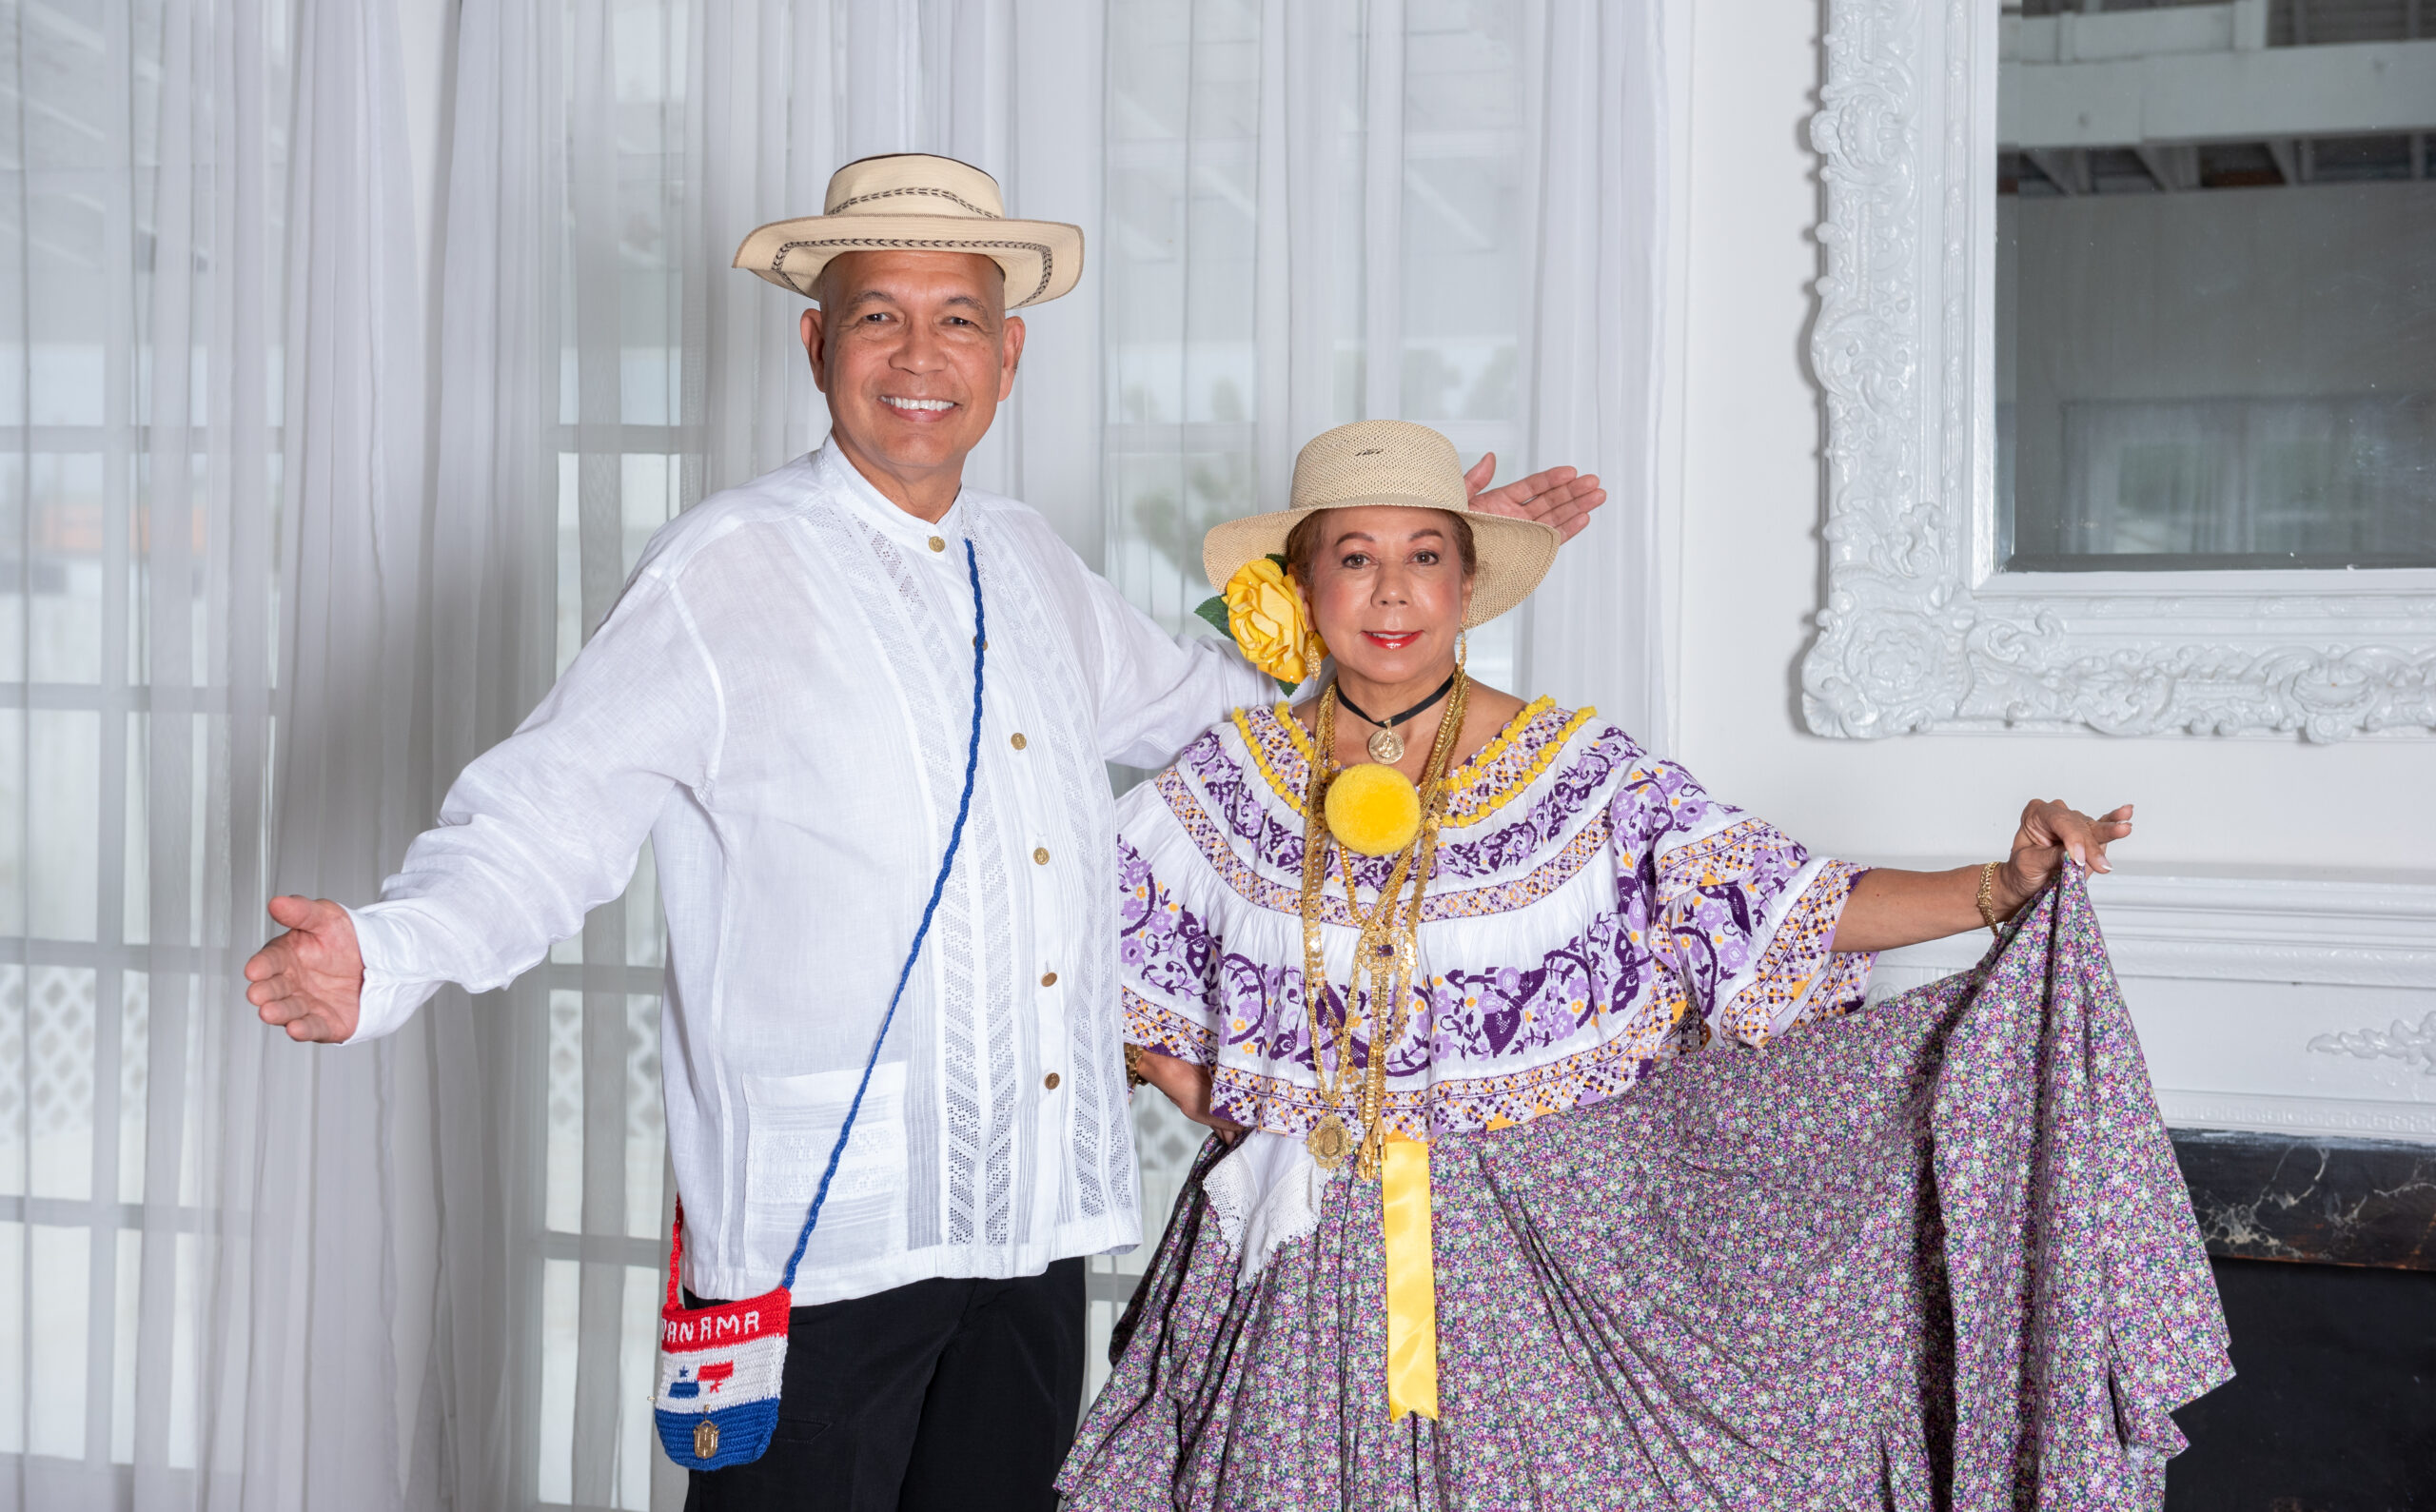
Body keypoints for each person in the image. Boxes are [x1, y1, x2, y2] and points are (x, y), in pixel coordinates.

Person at [237, 156, 1606, 1512]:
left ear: (1007, 358)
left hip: (1033, 1223)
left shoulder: (1031, 561)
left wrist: (1398, 574)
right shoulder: (725, 565)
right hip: (820, 1242)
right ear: (816, 342)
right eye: (879, 315)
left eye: (957, 319)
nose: (919, 354)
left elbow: (1246, 728)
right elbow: (550, 811)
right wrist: (389, 953)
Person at [1060, 418, 2143, 1507]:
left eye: (1424, 555)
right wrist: (1200, 1077)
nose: (1391, 592)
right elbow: (1061, 934)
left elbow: (1785, 904)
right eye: (1354, 556)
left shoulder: (1581, 777)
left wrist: (1996, 888)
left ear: (1469, 580)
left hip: (1525, 1269)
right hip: (1290, 1267)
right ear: (1300, 585)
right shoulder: (1231, 779)